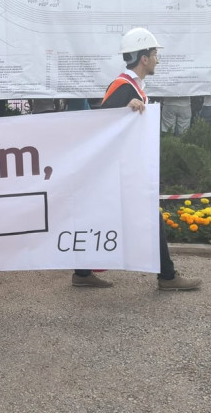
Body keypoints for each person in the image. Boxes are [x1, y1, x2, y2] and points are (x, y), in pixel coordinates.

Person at [72, 28, 202, 291]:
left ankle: (82, 273)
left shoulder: (131, 87)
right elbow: (102, 125)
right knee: (151, 217)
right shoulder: (124, 88)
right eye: (154, 55)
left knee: (104, 216)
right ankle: (168, 277)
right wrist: (124, 110)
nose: (156, 60)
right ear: (144, 58)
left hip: (125, 168)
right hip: (121, 170)